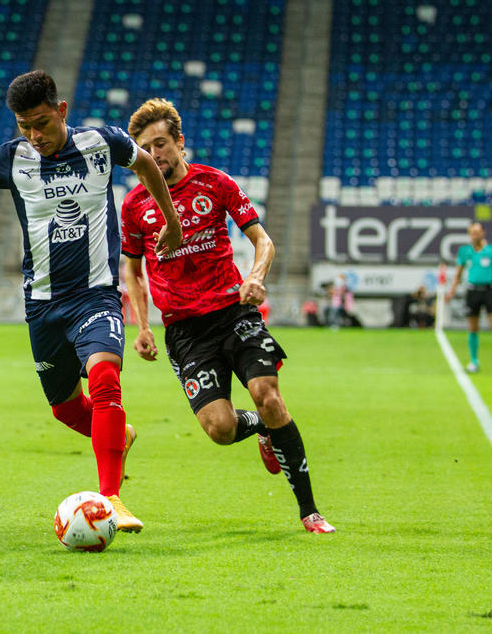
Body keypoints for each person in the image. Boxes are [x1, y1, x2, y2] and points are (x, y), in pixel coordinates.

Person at [0, 71, 182, 533]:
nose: (35, 135)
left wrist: (169, 220)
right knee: (66, 408)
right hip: (43, 305)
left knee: (106, 377)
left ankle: (111, 497)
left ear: (62, 110)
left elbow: (146, 165)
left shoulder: (102, 143)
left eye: (42, 123)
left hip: (96, 293)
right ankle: (118, 435)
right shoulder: (14, 157)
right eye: (25, 125)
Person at [120, 97, 336, 534]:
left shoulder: (214, 183)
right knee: (219, 428)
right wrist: (142, 326)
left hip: (232, 311)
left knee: (268, 394)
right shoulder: (133, 206)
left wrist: (255, 278)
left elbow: (264, 241)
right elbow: (133, 271)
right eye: (146, 148)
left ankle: (310, 511)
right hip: (184, 330)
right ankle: (262, 430)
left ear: (180, 143)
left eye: (161, 143)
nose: (155, 154)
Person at [444, 222, 492, 374]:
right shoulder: (465, 251)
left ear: (483, 233)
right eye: (471, 233)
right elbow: (458, 273)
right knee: (472, 328)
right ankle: (474, 361)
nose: (473, 235)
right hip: (472, 291)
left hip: (489, 291)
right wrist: (451, 291)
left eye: (476, 232)